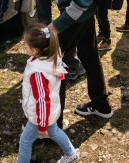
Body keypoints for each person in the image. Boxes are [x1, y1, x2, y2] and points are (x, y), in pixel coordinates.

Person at [18, 23, 80, 163]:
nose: (25, 48)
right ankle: (71, 154)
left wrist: (41, 125)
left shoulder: (38, 73)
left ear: (34, 50)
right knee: (55, 132)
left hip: (39, 116)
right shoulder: (53, 55)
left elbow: (42, 100)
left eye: (26, 45)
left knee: (25, 141)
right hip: (51, 111)